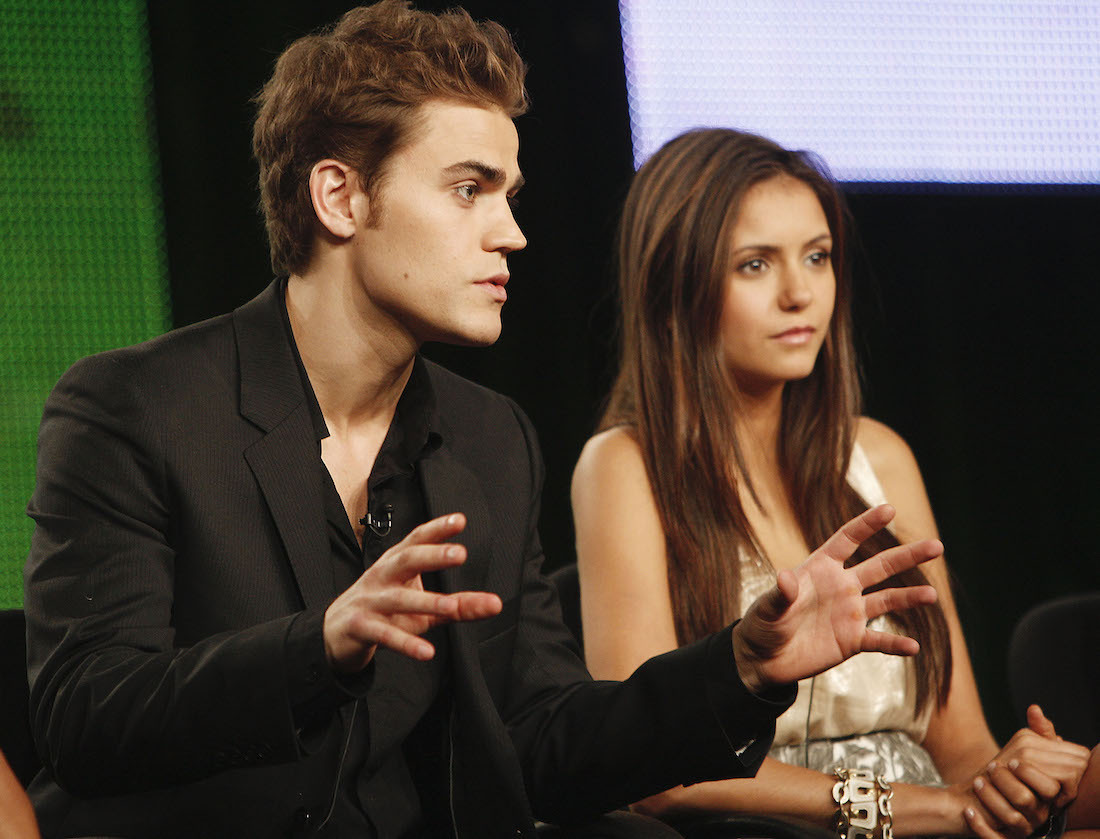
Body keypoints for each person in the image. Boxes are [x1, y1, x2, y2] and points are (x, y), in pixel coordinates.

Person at [24, 7, 944, 838]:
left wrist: (740, 667)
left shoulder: (489, 436)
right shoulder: (133, 406)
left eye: (508, 193)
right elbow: (89, 716)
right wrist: (321, 646)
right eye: (470, 189)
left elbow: (539, 736)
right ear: (340, 197)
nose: (511, 233)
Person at [571, 127, 1100, 839]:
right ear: (676, 280)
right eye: (755, 265)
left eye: (817, 257)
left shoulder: (879, 453)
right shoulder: (623, 465)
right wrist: (910, 806)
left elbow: (962, 747)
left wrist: (1017, 775)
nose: (800, 293)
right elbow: (647, 769)